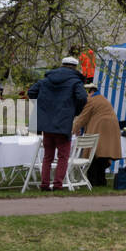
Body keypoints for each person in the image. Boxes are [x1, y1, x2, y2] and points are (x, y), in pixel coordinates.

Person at [27, 56, 88, 192]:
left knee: (48, 156)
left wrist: (43, 106)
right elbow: (83, 97)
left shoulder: (46, 80)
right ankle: (58, 184)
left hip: (46, 123)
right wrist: (75, 110)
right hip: (63, 123)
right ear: (75, 67)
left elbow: (31, 92)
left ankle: (44, 184)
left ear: (61, 65)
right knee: (63, 156)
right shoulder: (75, 81)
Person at [72, 84, 122, 186]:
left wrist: (72, 130)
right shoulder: (102, 99)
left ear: (90, 92)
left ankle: (94, 181)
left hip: (100, 127)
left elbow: (82, 118)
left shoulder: (91, 100)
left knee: (93, 153)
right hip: (111, 128)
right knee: (102, 155)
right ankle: (101, 181)